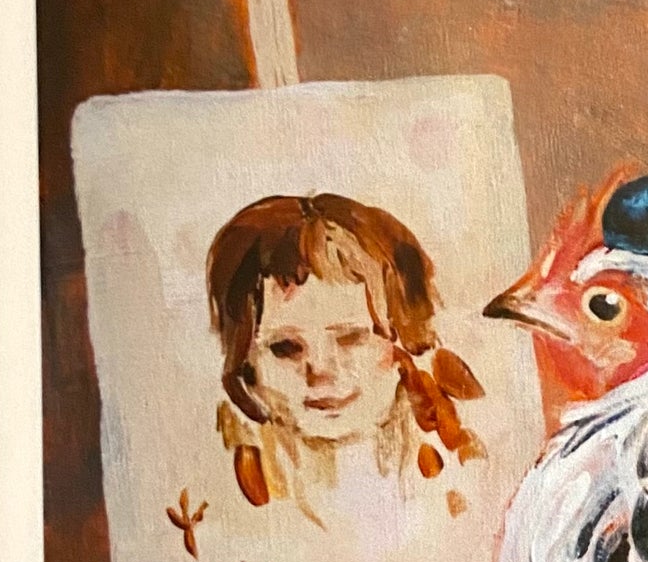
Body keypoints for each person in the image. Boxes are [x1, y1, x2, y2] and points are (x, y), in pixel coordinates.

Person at [206, 192, 484, 525]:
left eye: (351, 338)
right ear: (245, 362)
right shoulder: (221, 509)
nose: (321, 372)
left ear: (401, 339)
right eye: (285, 348)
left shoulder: (462, 483)